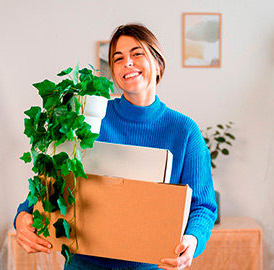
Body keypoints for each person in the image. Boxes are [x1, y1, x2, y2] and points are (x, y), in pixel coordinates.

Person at [13, 23, 218, 270]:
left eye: (137, 53)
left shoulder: (184, 131)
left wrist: (192, 239)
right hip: (84, 265)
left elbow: (202, 206)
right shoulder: (86, 119)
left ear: (158, 63)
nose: (127, 63)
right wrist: (23, 217)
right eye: (118, 58)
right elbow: (52, 183)